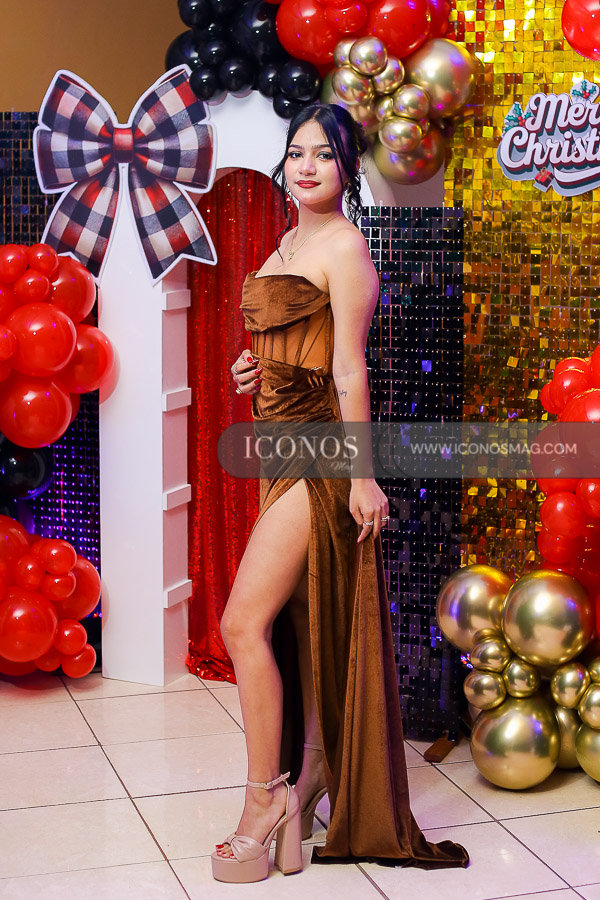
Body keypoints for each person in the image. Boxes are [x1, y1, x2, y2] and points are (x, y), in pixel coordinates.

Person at [211, 103, 469, 884]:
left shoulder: (346, 246)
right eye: (297, 152)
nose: (306, 165)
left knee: (241, 623)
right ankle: (313, 772)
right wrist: (251, 372)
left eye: (324, 154)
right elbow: (290, 347)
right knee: (304, 620)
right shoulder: (285, 244)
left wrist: (362, 476)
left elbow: (349, 369)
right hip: (279, 447)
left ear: (347, 168)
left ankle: (266, 799)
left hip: (322, 454)